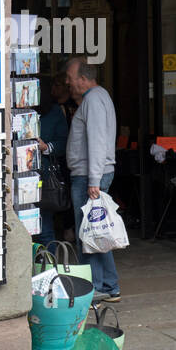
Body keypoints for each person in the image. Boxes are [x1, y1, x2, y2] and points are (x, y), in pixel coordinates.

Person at [65, 55, 120, 302]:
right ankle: (109, 286)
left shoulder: (94, 100)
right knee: (96, 232)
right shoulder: (96, 98)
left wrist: (93, 182)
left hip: (90, 176)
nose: (68, 82)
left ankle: (95, 288)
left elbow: (97, 142)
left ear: (84, 79)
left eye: (70, 78)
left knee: (88, 235)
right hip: (91, 175)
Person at [34, 70, 72, 247]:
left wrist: (46, 147)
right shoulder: (18, 109)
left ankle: (49, 271)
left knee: (44, 227)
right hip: (17, 174)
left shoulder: (55, 111)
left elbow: (64, 143)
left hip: (44, 176)